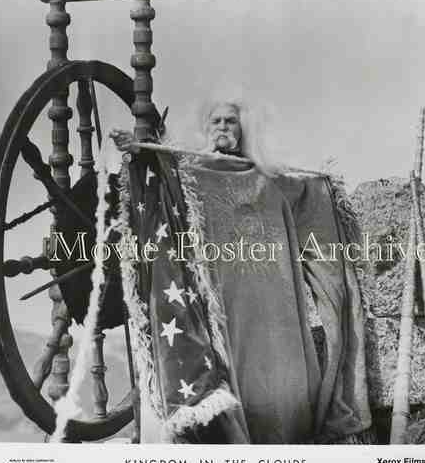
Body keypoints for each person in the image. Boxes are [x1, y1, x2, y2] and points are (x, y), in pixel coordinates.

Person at [109, 98, 371, 444]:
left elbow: (310, 196)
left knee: (283, 383)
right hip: (226, 304)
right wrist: (138, 152)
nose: (222, 127)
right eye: (215, 120)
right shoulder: (191, 178)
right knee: (239, 377)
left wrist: (322, 183)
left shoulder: (269, 179)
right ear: (205, 127)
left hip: (275, 307)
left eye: (230, 121)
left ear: (242, 128)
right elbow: (162, 183)